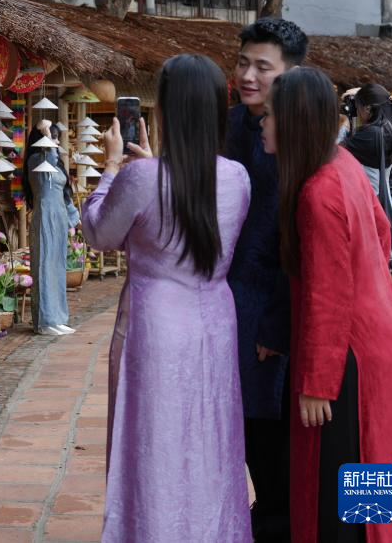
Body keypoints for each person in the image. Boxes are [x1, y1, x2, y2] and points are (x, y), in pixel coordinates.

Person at [82, 54, 252, 542]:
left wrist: (112, 166)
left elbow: (98, 233)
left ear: (164, 111)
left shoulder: (141, 178)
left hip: (155, 323)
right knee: (211, 439)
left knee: (153, 442)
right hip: (215, 318)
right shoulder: (238, 177)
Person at [261, 67, 392, 542]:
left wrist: (316, 383)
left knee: (351, 496)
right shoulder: (342, 166)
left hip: (351, 359)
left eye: (270, 115)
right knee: (374, 477)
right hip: (381, 340)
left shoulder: (318, 192)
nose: (263, 123)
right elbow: (382, 232)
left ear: (295, 121)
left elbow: (327, 294)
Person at [225, 16, 308, 541]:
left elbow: (298, 247)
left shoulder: (303, 141)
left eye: (263, 67)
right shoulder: (231, 123)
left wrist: (277, 325)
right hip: (229, 299)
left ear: (291, 75)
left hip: (274, 306)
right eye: (242, 63)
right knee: (243, 423)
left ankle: (281, 518)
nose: (248, 76)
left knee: (275, 424)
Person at [21, 120, 80, 336]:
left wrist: (75, 219)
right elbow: (49, 159)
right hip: (45, 218)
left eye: (56, 137)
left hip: (59, 219)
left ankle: (58, 318)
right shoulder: (37, 161)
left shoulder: (55, 163)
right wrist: (45, 132)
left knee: (57, 268)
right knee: (44, 267)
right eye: (52, 137)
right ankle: (45, 322)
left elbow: (65, 195)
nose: (55, 142)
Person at [340, 83, 392, 247]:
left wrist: (344, 123)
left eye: (358, 107)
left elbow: (334, 152)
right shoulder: (387, 129)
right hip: (380, 210)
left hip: (369, 214)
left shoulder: (372, 135)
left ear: (367, 109)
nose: (356, 111)